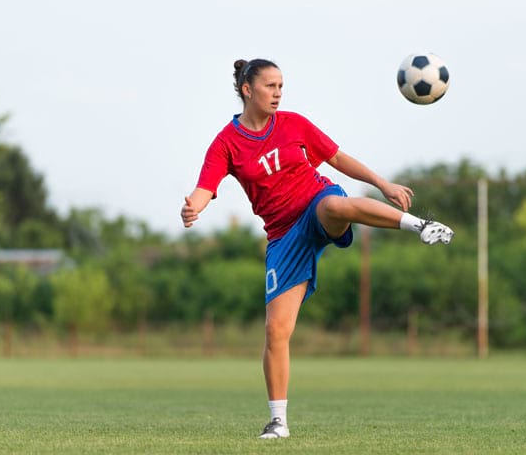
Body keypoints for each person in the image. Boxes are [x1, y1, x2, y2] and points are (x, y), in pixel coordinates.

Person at [181, 58, 454, 439]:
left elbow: (337, 158)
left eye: (281, 86)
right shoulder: (226, 143)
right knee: (276, 331)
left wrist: (383, 184)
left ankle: (419, 226)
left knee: (334, 205)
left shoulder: (294, 123)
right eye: (270, 86)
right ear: (247, 89)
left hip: (315, 204)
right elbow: (206, 186)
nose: (278, 93)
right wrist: (194, 205)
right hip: (282, 236)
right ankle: (278, 422)